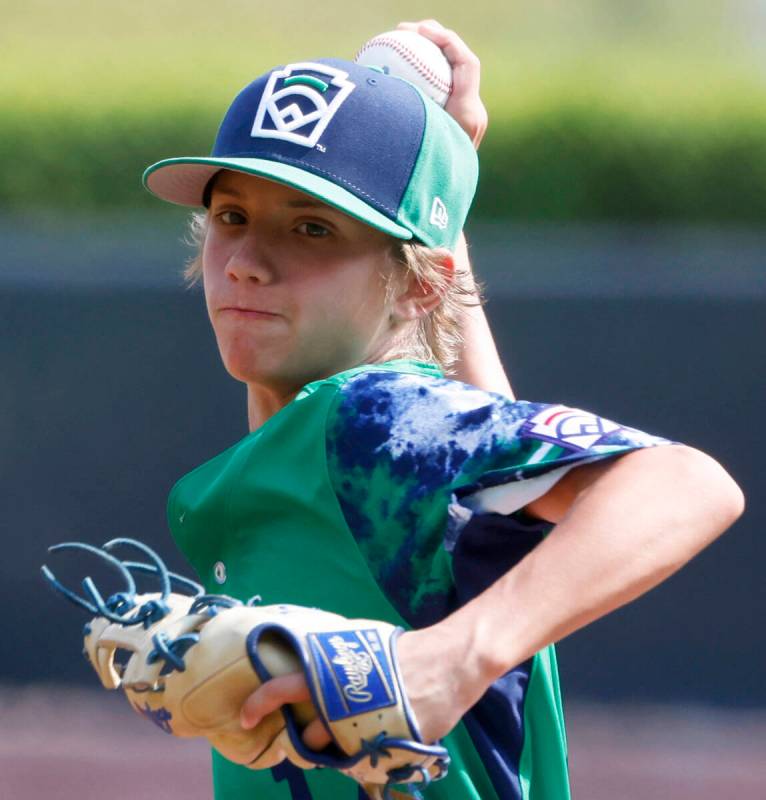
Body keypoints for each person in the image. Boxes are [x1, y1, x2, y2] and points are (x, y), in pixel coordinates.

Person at [142, 20, 744, 800]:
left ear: (422, 284)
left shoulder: (370, 423)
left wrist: (450, 658)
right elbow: (495, 505)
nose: (248, 264)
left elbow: (688, 482)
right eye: (233, 218)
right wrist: (440, 185)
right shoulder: (349, 445)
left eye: (312, 227)